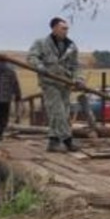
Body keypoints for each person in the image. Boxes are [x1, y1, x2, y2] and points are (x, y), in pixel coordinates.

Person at [29, 17, 80, 152]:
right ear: (54, 28)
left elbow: (75, 66)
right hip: (49, 82)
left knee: (64, 112)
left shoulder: (71, 46)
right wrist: (39, 66)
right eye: (63, 28)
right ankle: (67, 140)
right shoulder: (41, 43)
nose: (66, 31)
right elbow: (31, 57)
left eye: (67, 28)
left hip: (65, 83)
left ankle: (54, 141)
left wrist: (78, 78)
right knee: (57, 112)